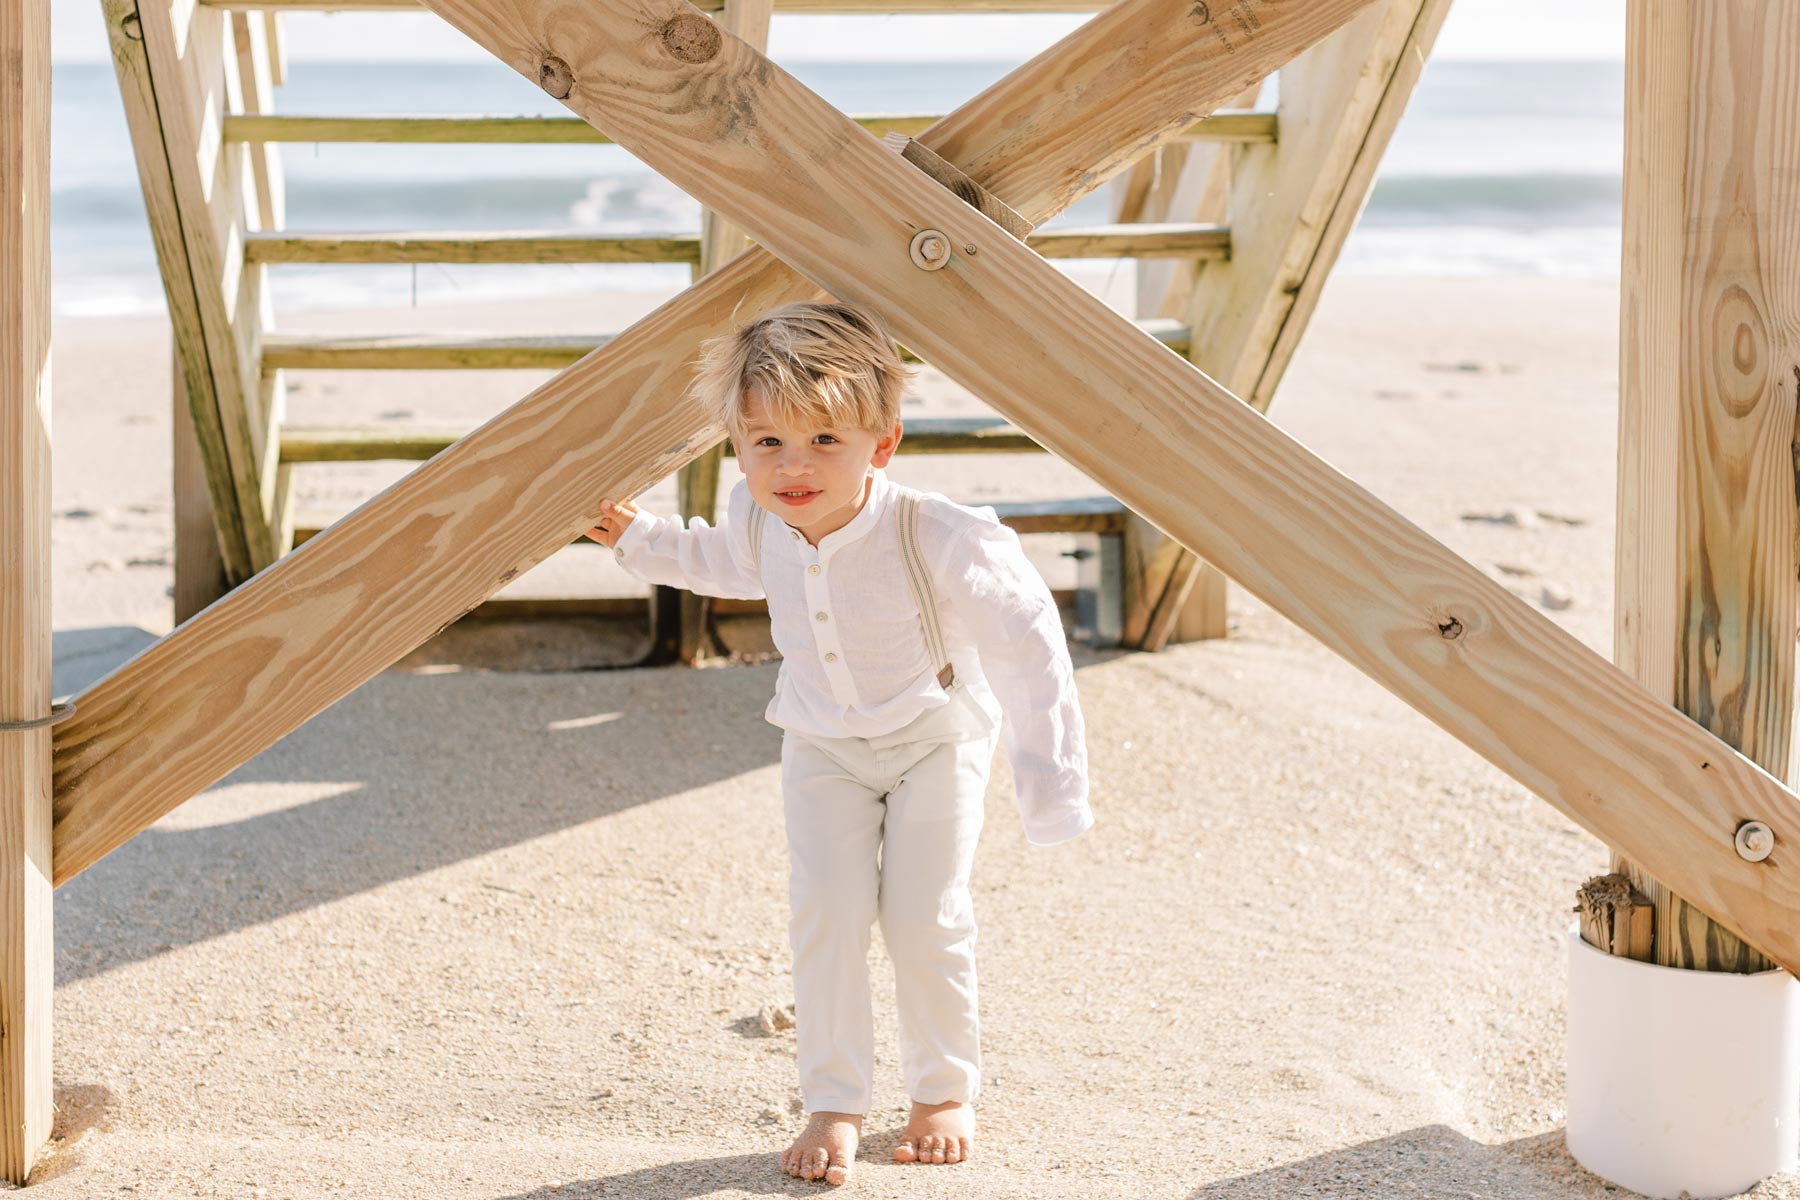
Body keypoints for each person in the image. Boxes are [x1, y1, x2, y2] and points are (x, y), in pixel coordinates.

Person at [587, 300, 1091, 1187]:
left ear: (882, 444)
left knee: (923, 915)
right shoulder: (756, 517)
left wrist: (1049, 788)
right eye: (766, 443)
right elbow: (715, 559)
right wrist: (638, 540)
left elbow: (1027, 642)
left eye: (825, 441)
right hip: (820, 743)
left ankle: (941, 1090)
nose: (793, 467)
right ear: (736, 447)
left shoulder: (935, 533)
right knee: (825, 912)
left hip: (935, 737)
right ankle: (834, 1101)